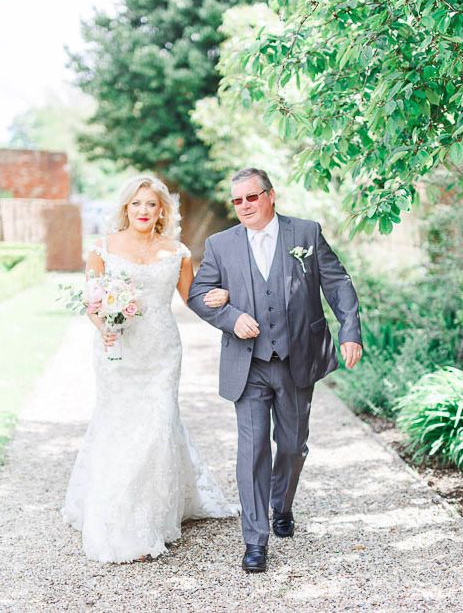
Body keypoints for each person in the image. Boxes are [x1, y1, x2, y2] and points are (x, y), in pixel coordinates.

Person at [188, 168, 362, 573]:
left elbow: (338, 284)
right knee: (251, 451)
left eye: (252, 197)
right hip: (247, 365)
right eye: (237, 200)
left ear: (271, 195)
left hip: (296, 358)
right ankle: (255, 539)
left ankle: (281, 504)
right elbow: (198, 294)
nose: (244, 206)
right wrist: (230, 318)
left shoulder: (306, 234)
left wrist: (349, 331)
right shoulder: (220, 244)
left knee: (292, 445)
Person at [62, 175, 238, 563]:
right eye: (136, 203)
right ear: (126, 207)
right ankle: (116, 512)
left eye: (151, 204)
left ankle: (151, 518)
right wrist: (105, 328)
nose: (143, 211)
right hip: (118, 349)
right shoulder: (102, 249)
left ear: (162, 211)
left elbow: (194, 299)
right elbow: (93, 301)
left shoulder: (177, 252)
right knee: (119, 424)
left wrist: (223, 297)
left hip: (162, 351)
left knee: (158, 426)